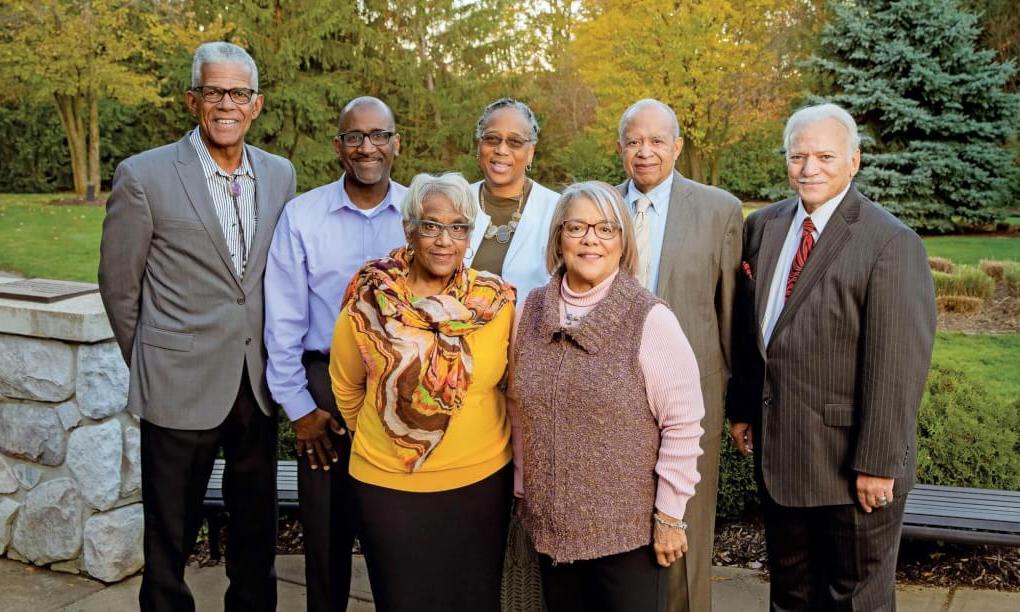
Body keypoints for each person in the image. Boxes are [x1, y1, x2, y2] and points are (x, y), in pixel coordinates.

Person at [98, 42, 295, 611]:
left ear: (255, 105)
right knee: (170, 537)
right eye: (214, 92)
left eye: (238, 93)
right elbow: (119, 287)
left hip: (253, 384)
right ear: (193, 100)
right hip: (176, 386)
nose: (226, 104)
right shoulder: (144, 175)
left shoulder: (279, 175)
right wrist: (153, 362)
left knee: (256, 530)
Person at [726, 103, 936, 611]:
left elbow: (897, 367)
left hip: (852, 468)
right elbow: (753, 330)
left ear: (854, 161)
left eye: (824, 156)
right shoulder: (765, 226)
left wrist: (879, 464)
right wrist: (743, 409)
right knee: (791, 594)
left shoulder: (889, 242)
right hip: (781, 457)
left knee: (853, 601)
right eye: (798, 156)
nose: (808, 168)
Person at [509, 181, 705, 612]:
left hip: (626, 537)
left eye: (605, 229)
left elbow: (683, 424)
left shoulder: (649, 319)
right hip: (550, 529)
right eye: (577, 227)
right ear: (559, 237)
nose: (590, 240)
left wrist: (671, 517)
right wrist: (523, 489)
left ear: (623, 241)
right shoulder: (531, 310)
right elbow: (518, 405)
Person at [329, 172, 517, 612]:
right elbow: (346, 386)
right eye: (431, 225)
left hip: (481, 484)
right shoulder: (371, 301)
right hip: (389, 488)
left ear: (470, 235)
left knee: (474, 602)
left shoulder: (496, 303)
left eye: (458, 227)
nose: (443, 240)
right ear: (409, 229)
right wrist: (394, 437)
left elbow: (513, 388)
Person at [264, 96, 406, 612]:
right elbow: (281, 321)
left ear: (396, 143)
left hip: (401, 386)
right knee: (326, 535)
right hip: (324, 387)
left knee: (395, 530)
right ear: (339, 146)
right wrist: (299, 410)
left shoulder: (420, 214)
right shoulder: (302, 217)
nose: (366, 147)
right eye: (354, 137)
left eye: (378, 136)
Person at [615, 98, 743, 612]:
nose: (645, 152)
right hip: (613, 393)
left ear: (678, 146)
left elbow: (732, 315)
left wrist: (740, 406)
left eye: (657, 141)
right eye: (633, 141)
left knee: (684, 528)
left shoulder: (719, 210)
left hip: (692, 398)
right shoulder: (599, 206)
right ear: (620, 147)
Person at [468, 98, 560, 298]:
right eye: (492, 138)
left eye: (515, 142)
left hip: (529, 328)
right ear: (479, 145)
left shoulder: (557, 210)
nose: (501, 149)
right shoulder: (454, 201)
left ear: (530, 153)